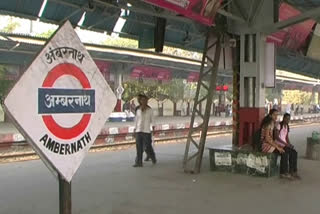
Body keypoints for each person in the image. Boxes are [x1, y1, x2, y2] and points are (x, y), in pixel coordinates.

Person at [260, 109, 293, 179]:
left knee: (284, 150)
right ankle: (283, 173)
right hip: (265, 145)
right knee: (283, 152)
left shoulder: (272, 123)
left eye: (277, 115)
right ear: (270, 115)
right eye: (274, 115)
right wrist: (277, 147)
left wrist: (278, 145)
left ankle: (285, 172)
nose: (276, 116)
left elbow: (271, 139)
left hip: (270, 144)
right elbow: (267, 139)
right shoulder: (268, 124)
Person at [133, 94, 156, 167]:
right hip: (138, 130)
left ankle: (153, 157)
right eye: (142, 100)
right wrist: (134, 129)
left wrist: (153, 128)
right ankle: (139, 162)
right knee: (139, 147)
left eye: (145, 100)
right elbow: (136, 120)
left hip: (146, 131)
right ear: (140, 101)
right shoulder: (138, 109)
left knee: (148, 146)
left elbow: (153, 120)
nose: (144, 101)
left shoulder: (150, 110)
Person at [275, 113, 300, 179]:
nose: (287, 120)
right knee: (285, 153)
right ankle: (283, 172)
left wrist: (289, 144)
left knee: (294, 153)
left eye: (289, 119)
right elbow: (276, 137)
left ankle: (293, 171)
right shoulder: (279, 125)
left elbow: (286, 137)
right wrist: (286, 144)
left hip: (284, 144)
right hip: (279, 144)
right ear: (283, 118)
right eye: (286, 118)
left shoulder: (287, 126)